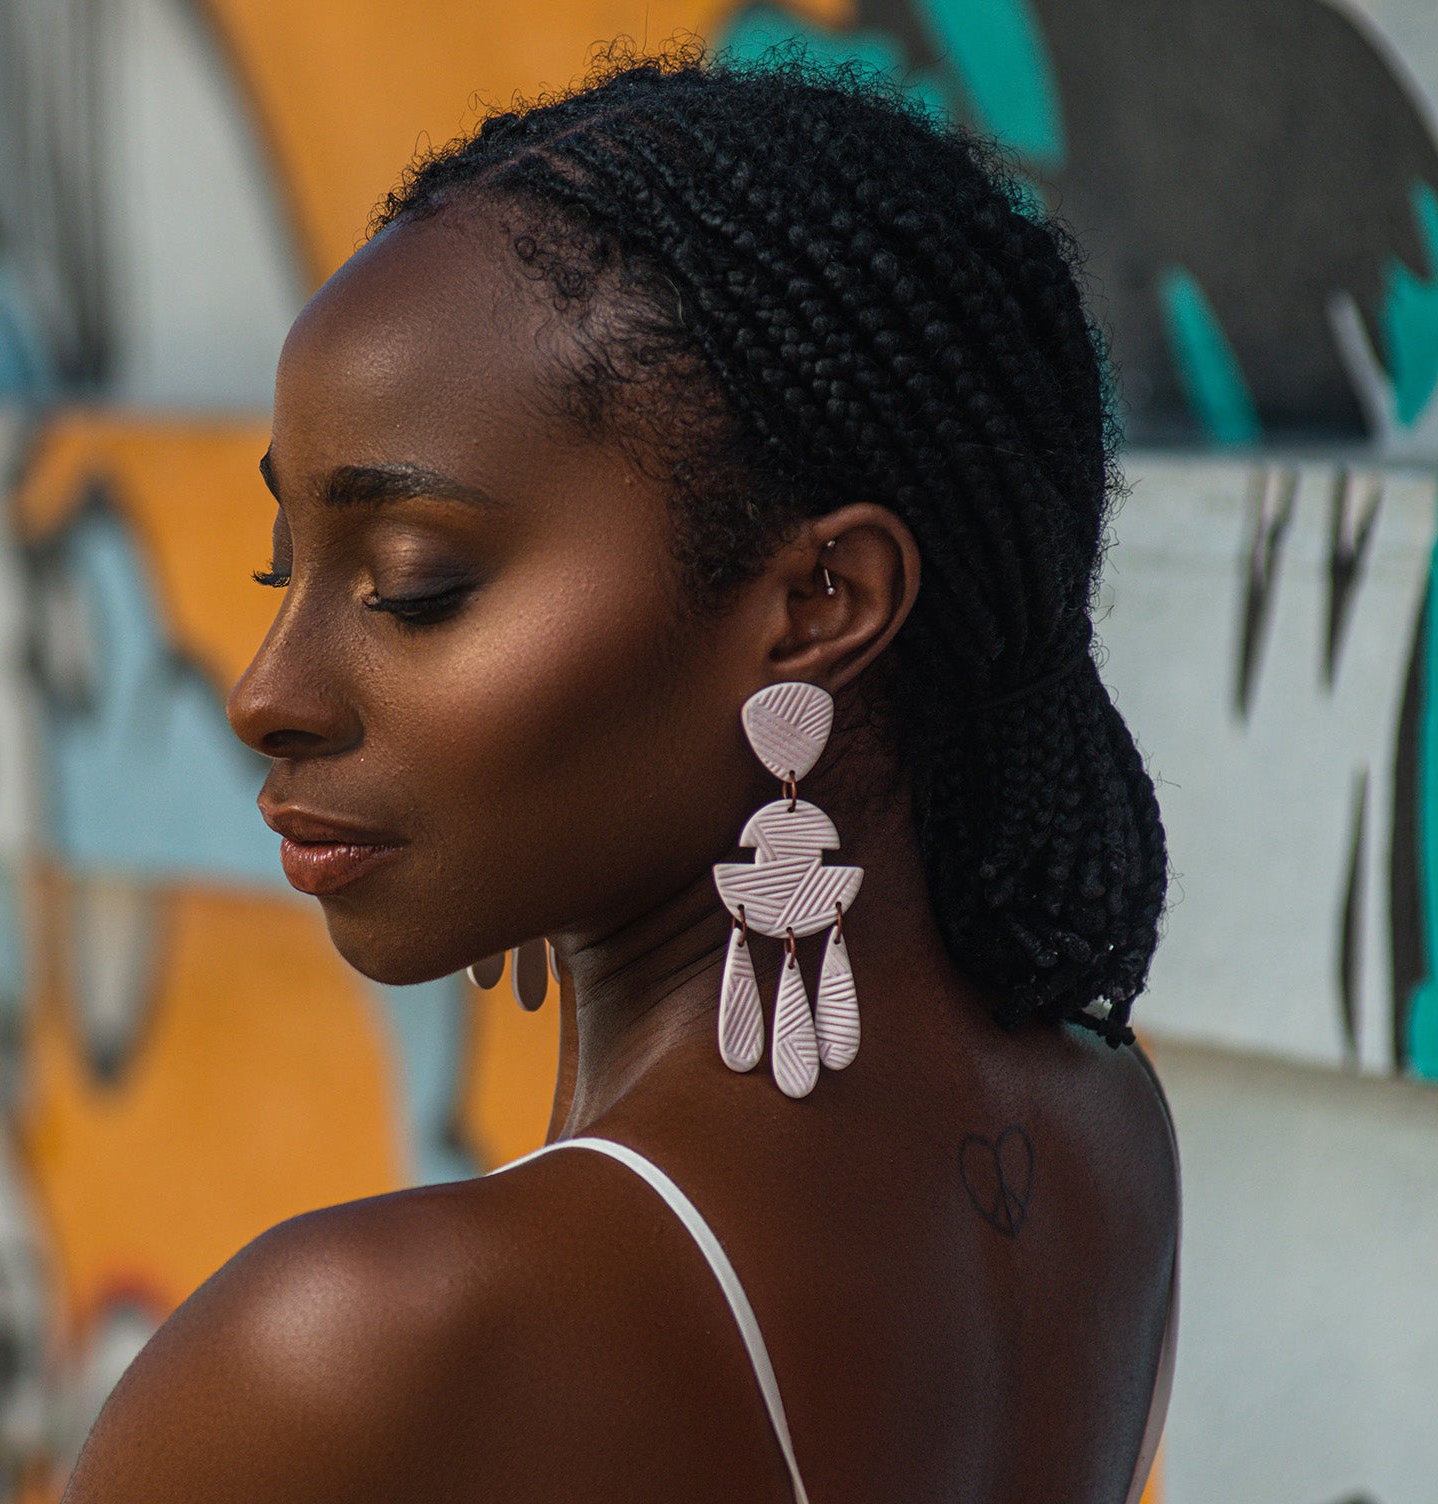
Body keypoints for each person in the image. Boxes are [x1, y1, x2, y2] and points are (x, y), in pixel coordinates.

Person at [68, 48, 1178, 1504]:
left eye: (414, 585)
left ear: (821, 602)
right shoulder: (1098, 1133)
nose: (266, 693)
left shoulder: (359, 1355)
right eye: (287, 569)